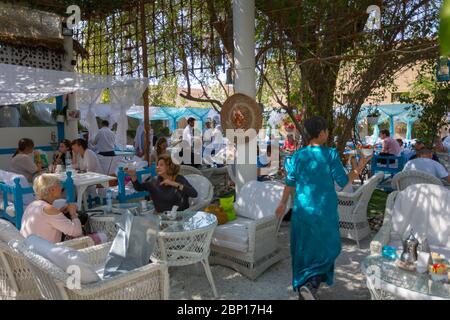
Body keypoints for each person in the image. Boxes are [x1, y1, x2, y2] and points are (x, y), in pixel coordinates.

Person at [275, 116, 371, 300]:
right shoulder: (330, 154)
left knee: (304, 249)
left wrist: (282, 203)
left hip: (302, 210)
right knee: (331, 247)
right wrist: (361, 164)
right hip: (323, 210)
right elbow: (344, 182)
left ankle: (307, 286)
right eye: (326, 130)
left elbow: (290, 182)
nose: (327, 133)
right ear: (320, 133)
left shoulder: (298, 155)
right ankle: (311, 284)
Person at [20, 174, 82, 243]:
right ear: (51, 190)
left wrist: (59, 212)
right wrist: (73, 213)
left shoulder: (32, 205)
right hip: (45, 251)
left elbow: (45, 219)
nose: (61, 188)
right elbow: (77, 232)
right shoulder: (49, 209)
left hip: (31, 248)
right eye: (59, 185)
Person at [125, 154, 198, 213]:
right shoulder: (155, 180)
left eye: (161, 165)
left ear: (169, 166)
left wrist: (174, 184)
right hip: (160, 218)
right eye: (157, 165)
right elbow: (139, 188)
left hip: (179, 217)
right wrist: (133, 176)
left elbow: (194, 194)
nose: (157, 167)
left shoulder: (179, 179)